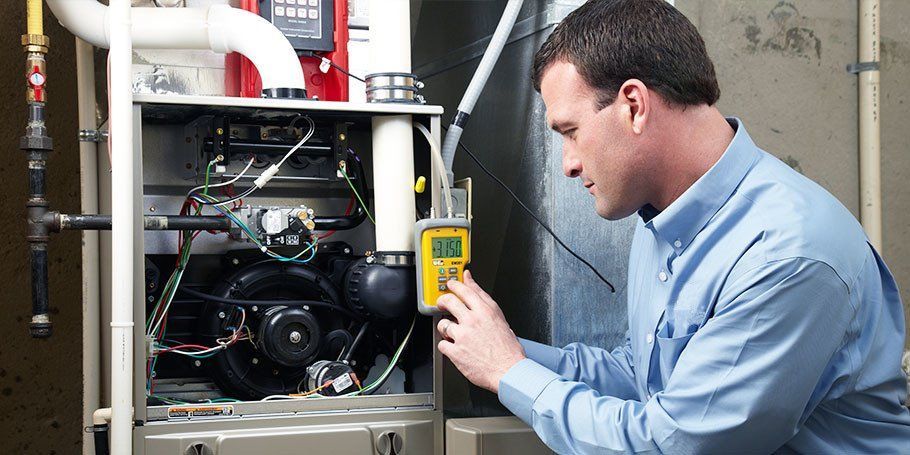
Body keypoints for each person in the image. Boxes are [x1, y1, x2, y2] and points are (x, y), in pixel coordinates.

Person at [434, 0, 910, 453]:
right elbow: (641, 376)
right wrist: (500, 347)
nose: (569, 164)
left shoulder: (786, 255)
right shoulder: (661, 220)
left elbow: (673, 443)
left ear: (634, 106)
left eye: (571, 132)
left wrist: (509, 372)